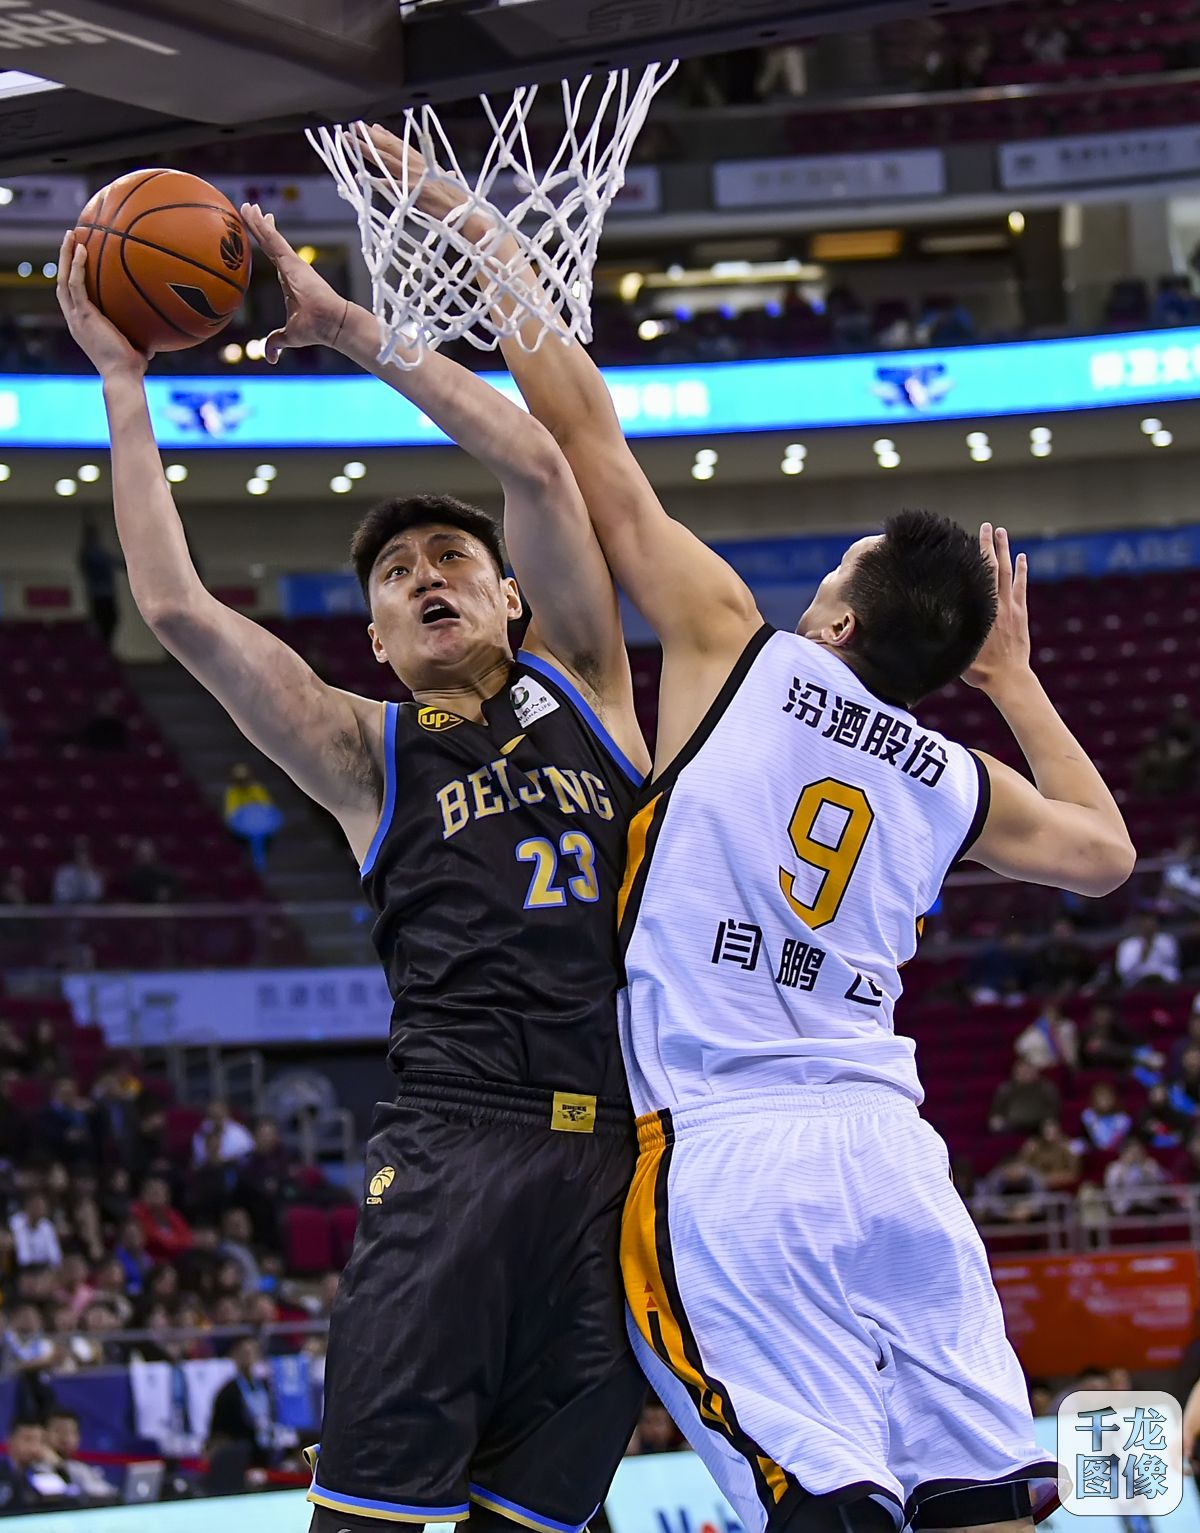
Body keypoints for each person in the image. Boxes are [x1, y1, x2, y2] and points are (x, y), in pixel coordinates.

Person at [386, 132, 1135, 1533]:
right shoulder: (956, 778)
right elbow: (1106, 854)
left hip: (733, 1155)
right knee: (984, 1504)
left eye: (835, 569)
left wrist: (475, 229)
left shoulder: (737, 649)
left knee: (821, 1507)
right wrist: (1014, 682)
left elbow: (582, 433)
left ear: (838, 622)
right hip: (893, 1153)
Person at [57, 205, 649, 1533]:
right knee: (366, 1522)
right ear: (375, 637)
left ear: (511, 597)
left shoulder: (592, 687)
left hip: (620, 1156)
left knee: (540, 1524)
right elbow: (175, 608)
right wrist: (123, 380)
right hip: (457, 1144)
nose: (427, 575)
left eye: (452, 558)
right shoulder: (363, 751)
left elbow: (541, 466)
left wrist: (345, 327)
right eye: (395, 572)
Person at [0, 1417, 78, 1514]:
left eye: (40, 1441)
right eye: (28, 1439)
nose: (34, 1447)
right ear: (10, 1440)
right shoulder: (3, 1473)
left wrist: (58, 1466)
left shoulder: (43, 1474)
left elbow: (72, 1500)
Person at [44, 1406, 119, 1505]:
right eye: (58, 1431)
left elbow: (107, 1493)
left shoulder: (81, 1468)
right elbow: (60, 1496)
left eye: (70, 1432)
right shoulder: (38, 1468)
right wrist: (59, 1466)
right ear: (44, 1434)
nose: (65, 1437)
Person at [78, 518, 122, 648]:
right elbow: (111, 561)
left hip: (104, 594)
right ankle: (103, 649)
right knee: (104, 624)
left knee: (110, 622)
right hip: (100, 595)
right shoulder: (90, 553)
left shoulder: (93, 552)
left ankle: (105, 647)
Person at [988, 1059, 1061, 1135]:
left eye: (1028, 1071)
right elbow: (997, 1109)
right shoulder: (1006, 1088)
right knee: (996, 1125)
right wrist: (996, 1118)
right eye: (1021, 1072)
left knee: (1050, 1126)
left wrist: (1047, 1119)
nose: (1025, 1074)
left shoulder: (1046, 1087)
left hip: (1038, 1123)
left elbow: (1053, 1107)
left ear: (1035, 1072)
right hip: (1012, 1123)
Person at [1114, 913, 1180, 989]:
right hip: (1138, 981)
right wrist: (1143, 953)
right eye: (1144, 922)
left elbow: (1172, 962)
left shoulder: (1167, 940)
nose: (1148, 925)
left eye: (1151, 921)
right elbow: (1123, 971)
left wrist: (1152, 944)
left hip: (1164, 978)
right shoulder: (1127, 945)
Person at [122, 838, 180, 903]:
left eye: (147, 853)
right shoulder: (130, 876)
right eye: (142, 854)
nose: (145, 856)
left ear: (154, 854)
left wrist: (168, 894)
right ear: (136, 855)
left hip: (161, 908)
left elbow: (175, 893)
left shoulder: (166, 875)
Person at [51, 836, 104, 905]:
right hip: (67, 909)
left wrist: (85, 874)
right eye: (79, 851)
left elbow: (95, 895)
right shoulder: (63, 871)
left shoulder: (93, 873)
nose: (82, 855)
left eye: (84, 851)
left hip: (88, 909)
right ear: (74, 853)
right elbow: (60, 895)